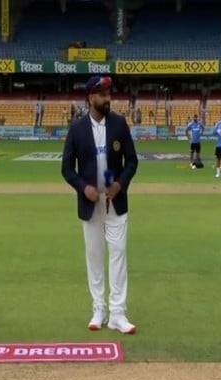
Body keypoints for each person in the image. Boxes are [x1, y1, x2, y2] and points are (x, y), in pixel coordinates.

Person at [61, 75, 139, 334]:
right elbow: (66, 169)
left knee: (118, 255)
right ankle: (98, 309)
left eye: (108, 93)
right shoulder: (77, 129)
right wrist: (84, 188)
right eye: (102, 94)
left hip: (115, 202)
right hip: (90, 204)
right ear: (90, 97)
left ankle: (118, 313)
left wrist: (120, 185)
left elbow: (132, 162)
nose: (108, 98)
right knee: (94, 257)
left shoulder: (119, 124)